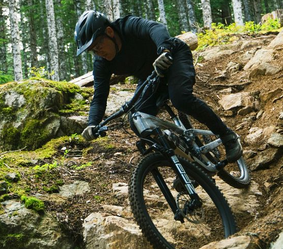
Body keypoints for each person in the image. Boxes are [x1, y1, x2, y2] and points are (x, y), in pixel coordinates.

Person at [74, 10, 241, 162]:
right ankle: (184, 165)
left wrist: (164, 51)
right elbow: (99, 96)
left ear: (109, 32)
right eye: (93, 51)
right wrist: (92, 123)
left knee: (181, 99)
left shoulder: (127, 26)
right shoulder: (102, 63)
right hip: (151, 77)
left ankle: (227, 136)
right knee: (137, 120)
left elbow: (156, 28)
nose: (98, 52)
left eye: (98, 46)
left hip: (172, 58)